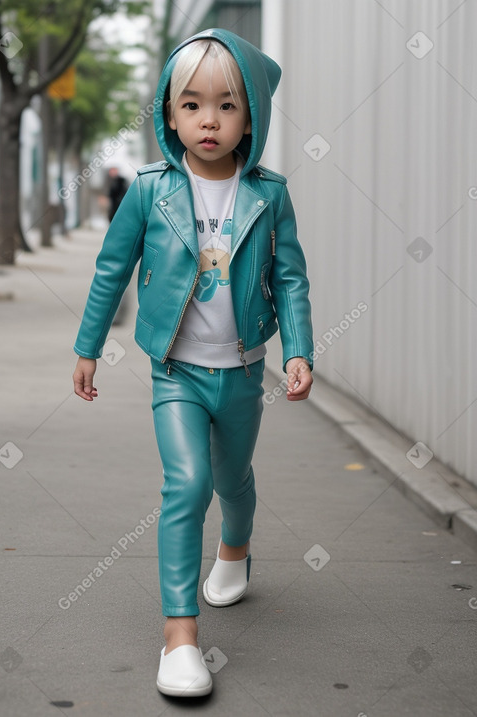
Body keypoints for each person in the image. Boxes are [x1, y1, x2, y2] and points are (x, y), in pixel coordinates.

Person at [72, 28, 314, 698]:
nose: (209, 119)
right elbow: (112, 268)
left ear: (251, 117)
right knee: (187, 484)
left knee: (233, 479)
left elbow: (291, 279)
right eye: (192, 104)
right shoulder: (151, 190)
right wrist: (88, 345)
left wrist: (300, 349)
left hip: (242, 372)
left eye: (228, 105)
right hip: (175, 371)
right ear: (168, 113)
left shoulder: (269, 194)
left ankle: (234, 549)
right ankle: (181, 636)